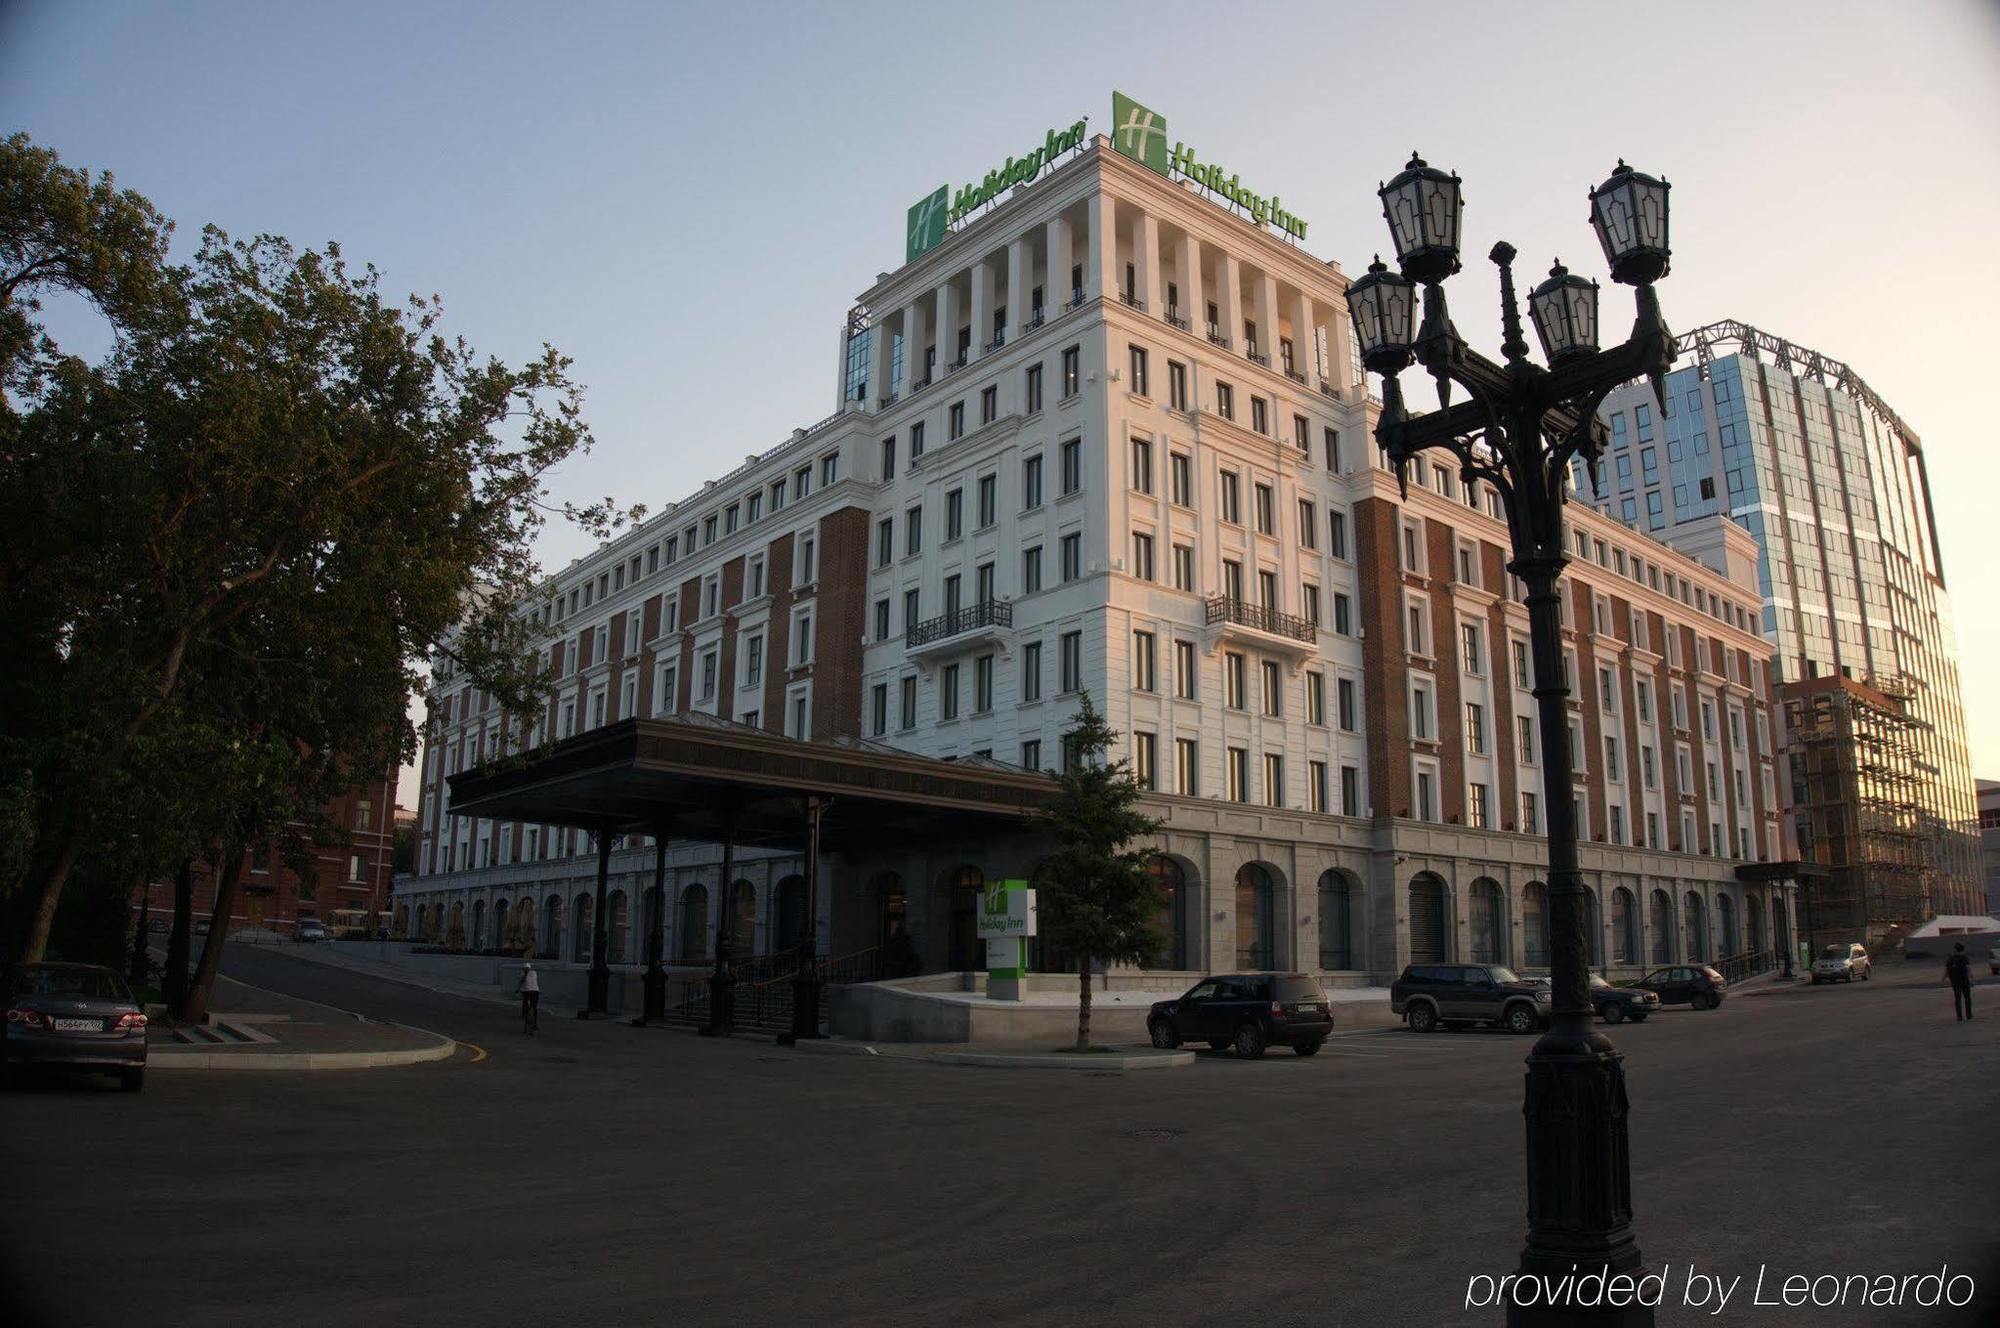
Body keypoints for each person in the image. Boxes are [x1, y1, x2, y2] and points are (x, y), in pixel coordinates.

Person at [1945, 942, 1972, 1022]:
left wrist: (1943, 979)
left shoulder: (1951, 959)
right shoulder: (1964, 958)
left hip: (1956, 981)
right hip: (1964, 980)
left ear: (1955, 949)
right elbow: (1968, 969)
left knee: (1958, 999)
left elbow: (1947, 970)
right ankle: (1969, 1015)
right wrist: (1972, 979)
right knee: (1967, 998)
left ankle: (1959, 1017)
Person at [518, 961, 541, 1032]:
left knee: (525, 1003)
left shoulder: (523, 973)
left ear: (524, 968)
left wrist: (518, 989)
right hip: (536, 991)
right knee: (534, 1007)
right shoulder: (534, 972)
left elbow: (521, 981)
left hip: (528, 991)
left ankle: (525, 1015)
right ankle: (535, 1023)